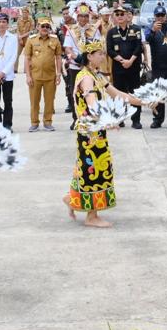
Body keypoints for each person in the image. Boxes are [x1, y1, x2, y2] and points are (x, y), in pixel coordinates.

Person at [62, 39, 145, 228]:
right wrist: (107, 120)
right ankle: (91, 216)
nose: (103, 56)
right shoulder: (86, 78)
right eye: (99, 54)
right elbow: (92, 103)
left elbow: (118, 94)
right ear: (90, 56)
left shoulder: (97, 75)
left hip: (96, 130)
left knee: (87, 167)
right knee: (95, 170)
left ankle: (72, 198)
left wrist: (144, 101)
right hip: (90, 132)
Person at [106, 5, 144, 128]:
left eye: (122, 14)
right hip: (118, 68)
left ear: (127, 15)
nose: (120, 16)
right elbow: (110, 50)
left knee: (135, 93)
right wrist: (122, 61)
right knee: (118, 94)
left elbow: (138, 47)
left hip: (133, 67)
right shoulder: (111, 32)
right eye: (117, 14)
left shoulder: (136, 29)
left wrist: (130, 61)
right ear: (114, 17)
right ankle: (120, 119)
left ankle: (136, 120)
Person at [22, 16, 62, 132]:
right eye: (42, 26)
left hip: (50, 76)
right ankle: (34, 123)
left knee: (49, 101)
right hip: (35, 76)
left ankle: (48, 122)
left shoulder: (55, 40)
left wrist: (58, 73)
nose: (45, 28)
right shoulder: (31, 40)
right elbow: (27, 58)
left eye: (47, 26)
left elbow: (58, 57)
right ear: (38, 27)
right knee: (34, 101)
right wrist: (28, 76)